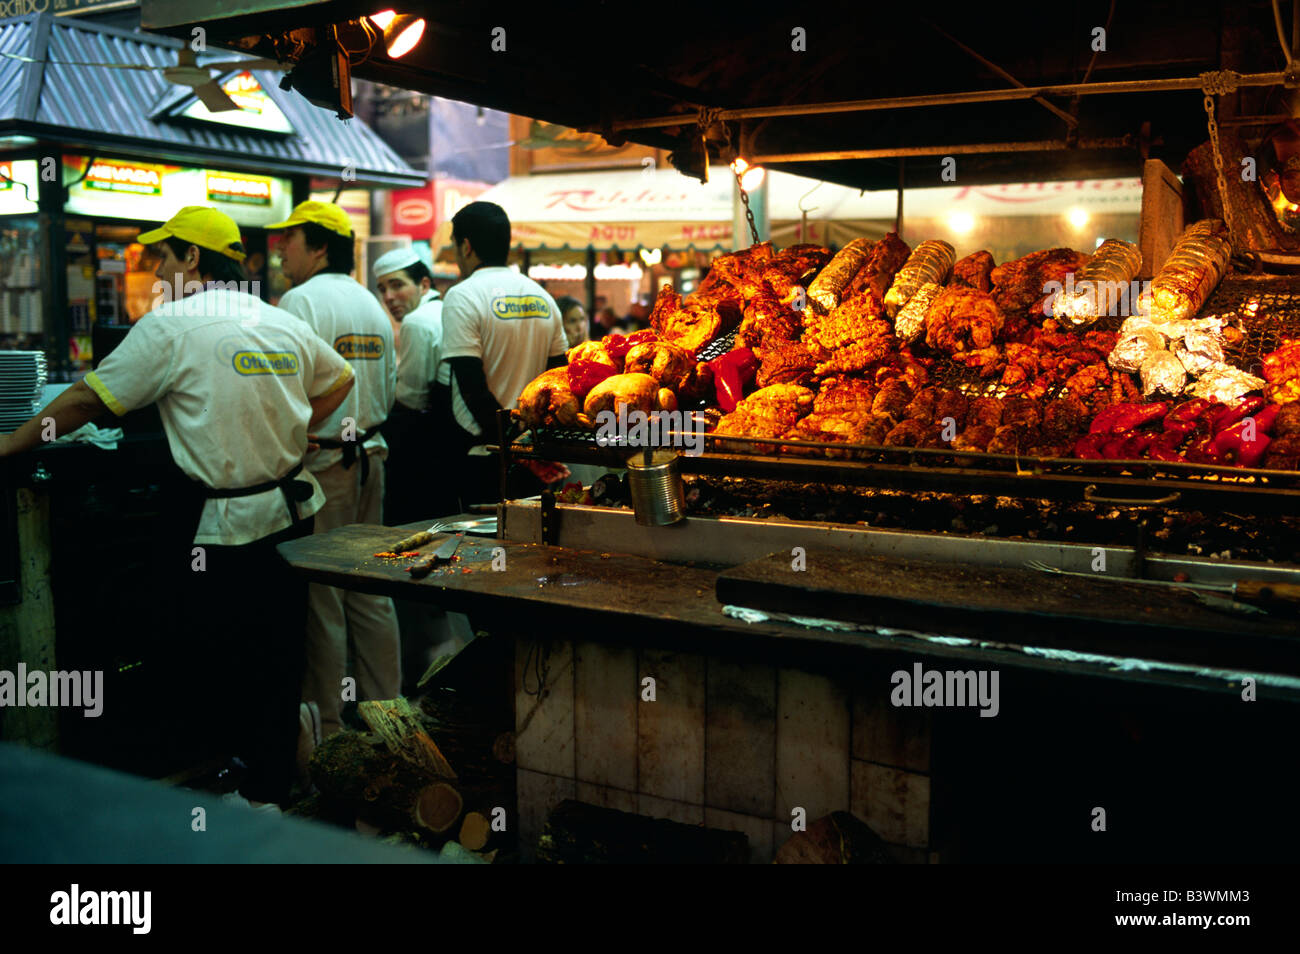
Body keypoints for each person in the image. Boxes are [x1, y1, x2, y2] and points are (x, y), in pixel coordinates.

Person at [0, 206, 356, 809]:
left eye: (163, 257)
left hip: (224, 529)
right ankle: (271, 782)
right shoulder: (274, 319)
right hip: (294, 515)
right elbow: (339, 378)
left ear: (193, 258)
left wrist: (8, 443)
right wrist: (290, 431)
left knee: (218, 653)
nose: (156, 270)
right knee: (276, 650)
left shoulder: (172, 325)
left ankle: (233, 783)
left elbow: (88, 399)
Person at [268, 200, 401, 741]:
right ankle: (390, 716)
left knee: (323, 596)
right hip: (371, 455)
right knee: (370, 589)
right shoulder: (371, 304)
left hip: (325, 463)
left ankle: (327, 728)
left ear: (320, 245)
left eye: (289, 240)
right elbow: (387, 387)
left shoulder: (300, 301)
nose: (279, 250)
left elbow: (288, 388)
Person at [441, 201, 568, 505]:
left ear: (466, 246)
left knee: (481, 547)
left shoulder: (462, 296)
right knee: (532, 545)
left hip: (486, 456)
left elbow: (472, 388)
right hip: (534, 452)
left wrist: (514, 447)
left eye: (455, 246)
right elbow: (560, 379)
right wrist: (528, 450)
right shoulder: (543, 297)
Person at [372, 247, 455, 524]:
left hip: (423, 450)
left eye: (397, 285)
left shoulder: (417, 322)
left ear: (424, 284)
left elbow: (411, 398)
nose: (388, 297)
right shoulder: (445, 312)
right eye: (382, 289)